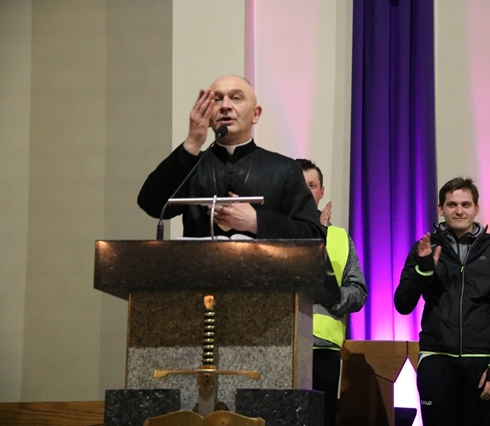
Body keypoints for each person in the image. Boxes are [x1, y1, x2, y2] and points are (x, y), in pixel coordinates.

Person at [394, 177, 490, 426]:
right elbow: (402, 304)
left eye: (465, 204)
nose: (459, 211)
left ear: (476, 208)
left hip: (481, 362)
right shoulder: (424, 248)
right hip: (436, 360)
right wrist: (423, 271)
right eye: (452, 205)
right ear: (441, 209)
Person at [137, 75, 324, 239]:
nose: (225, 106)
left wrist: (256, 221)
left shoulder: (284, 169)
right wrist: (192, 142)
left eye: (236, 98)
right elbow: (152, 205)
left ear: (255, 114)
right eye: (217, 99)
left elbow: (313, 234)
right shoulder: (192, 165)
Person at [296, 158, 367, 426]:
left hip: (323, 348)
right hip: (280, 344)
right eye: (299, 185)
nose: (306, 192)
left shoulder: (339, 237)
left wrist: (331, 296)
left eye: (312, 185)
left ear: (322, 191)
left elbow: (358, 293)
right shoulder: (272, 231)